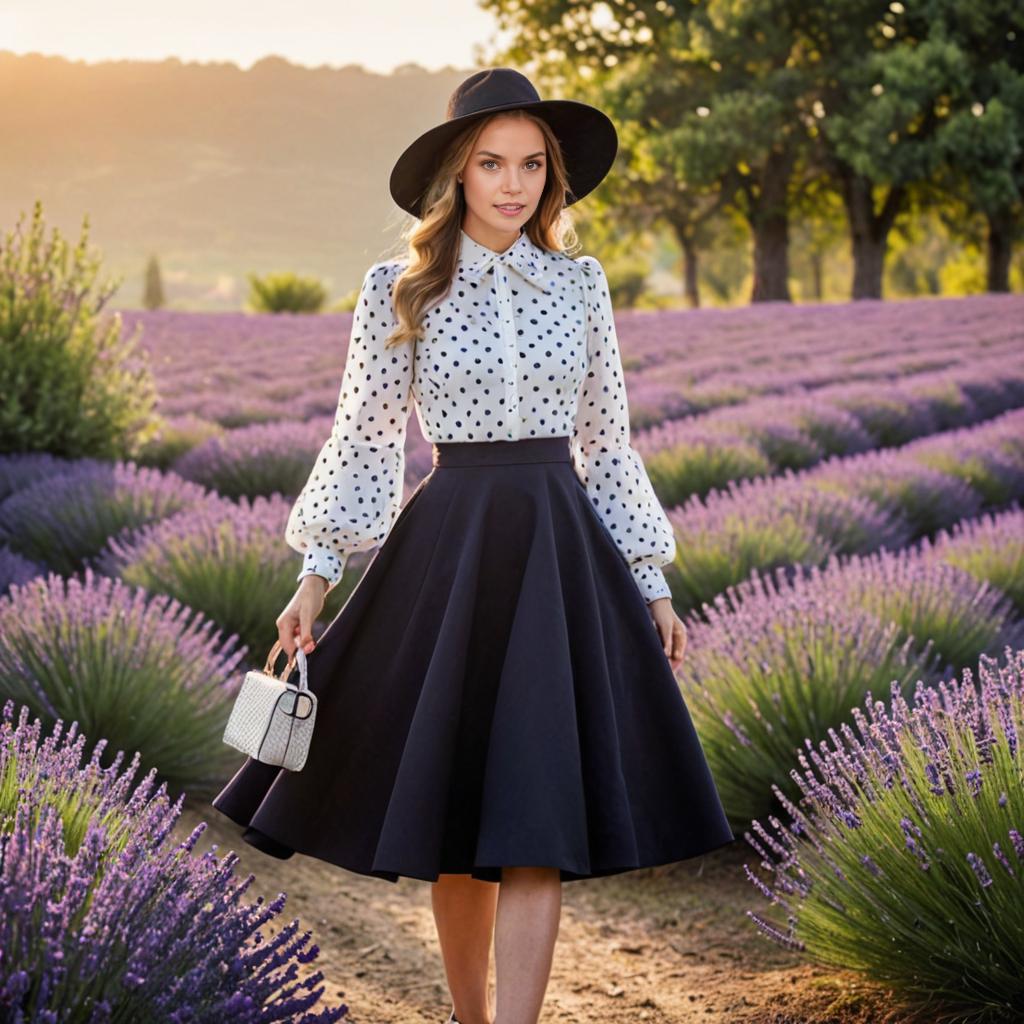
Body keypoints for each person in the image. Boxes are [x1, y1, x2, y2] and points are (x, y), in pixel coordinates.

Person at [211, 67, 735, 1024]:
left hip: (559, 546)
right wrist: (317, 573)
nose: (513, 183)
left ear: (552, 177)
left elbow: (606, 440)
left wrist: (651, 580)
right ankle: (469, 1017)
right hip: (450, 548)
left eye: (532, 164)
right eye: (492, 162)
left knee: (535, 814)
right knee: (462, 821)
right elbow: (365, 436)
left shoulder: (581, 283)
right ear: (456, 170)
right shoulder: (400, 288)